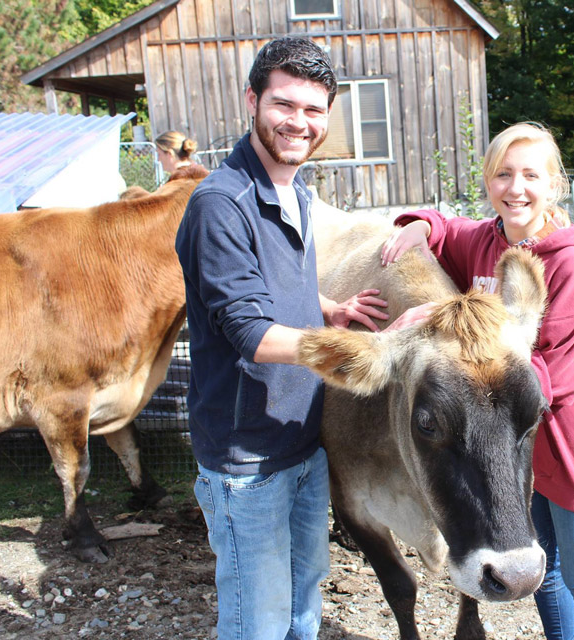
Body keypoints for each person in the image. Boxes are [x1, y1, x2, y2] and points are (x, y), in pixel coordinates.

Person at [175, 36, 428, 640]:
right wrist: (373, 347)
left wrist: (329, 310)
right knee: (256, 621)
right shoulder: (221, 205)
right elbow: (250, 333)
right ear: (252, 101)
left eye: (314, 110)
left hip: (302, 444)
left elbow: (273, 283)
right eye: (283, 105)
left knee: (302, 605)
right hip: (247, 457)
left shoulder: (298, 193)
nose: (298, 123)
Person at [381, 122, 574, 640]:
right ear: (489, 182)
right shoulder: (488, 240)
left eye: (530, 175)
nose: (516, 188)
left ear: (554, 185)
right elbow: (448, 231)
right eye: (503, 175)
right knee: (547, 571)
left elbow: (555, 374)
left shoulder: (573, 267)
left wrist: (457, 369)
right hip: (515, 448)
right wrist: (418, 224)